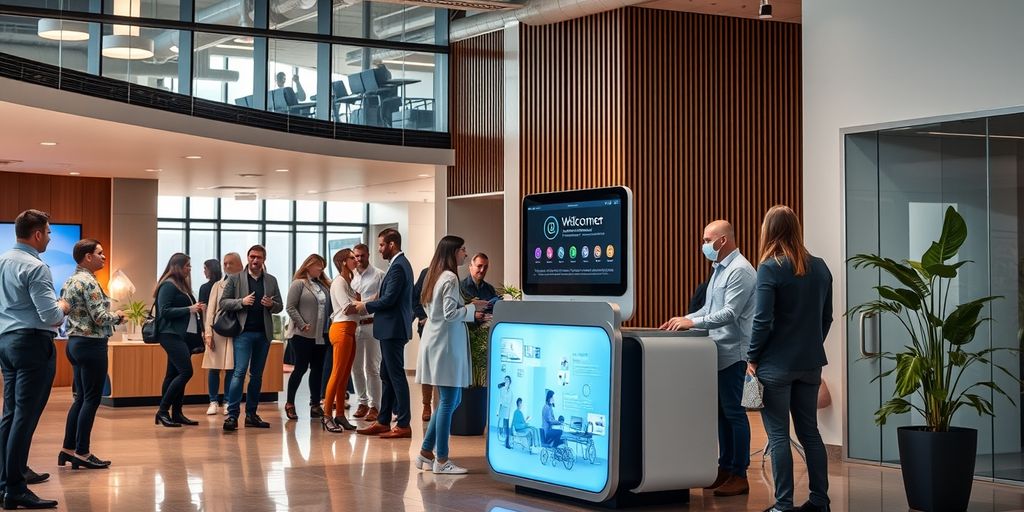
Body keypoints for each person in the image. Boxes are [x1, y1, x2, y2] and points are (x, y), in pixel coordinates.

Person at [746, 205, 833, 512]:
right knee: (810, 432)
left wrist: (752, 357)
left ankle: (783, 505)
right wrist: (809, 346)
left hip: (775, 366)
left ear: (768, 231)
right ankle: (820, 502)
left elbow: (762, 321)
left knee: (779, 435)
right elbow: (827, 318)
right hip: (810, 365)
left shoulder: (770, 267)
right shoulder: (821, 267)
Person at [661, 220, 756, 497]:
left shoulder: (741, 271)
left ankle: (740, 473)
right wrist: (684, 318)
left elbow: (729, 313)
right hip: (715, 351)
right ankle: (724, 468)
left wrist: (692, 324)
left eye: (707, 240)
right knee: (722, 414)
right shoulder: (719, 270)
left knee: (735, 414)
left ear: (723, 241)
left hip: (734, 353)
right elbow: (709, 307)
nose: (704, 245)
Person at [0, 209, 70, 510]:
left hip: (6, 342)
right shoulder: (36, 267)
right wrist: (64, 305)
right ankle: (15, 488)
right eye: (49, 232)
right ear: (38, 234)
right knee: (24, 418)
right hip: (31, 344)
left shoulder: (2, 261)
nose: (51, 237)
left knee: (10, 414)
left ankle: (5, 480)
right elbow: (52, 316)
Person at [413, 236, 486, 474]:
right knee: (448, 401)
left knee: (450, 400)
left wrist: (467, 307)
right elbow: (449, 313)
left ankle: (426, 452)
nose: (466, 253)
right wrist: (472, 309)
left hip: (436, 343)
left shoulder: (434, 275)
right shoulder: (450, 277)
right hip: (444, 346)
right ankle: (442, 460)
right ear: (453, 252)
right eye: (463, 250)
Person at [59, 239, 124, 469]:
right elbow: (100, 317)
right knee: (92, 399)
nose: (103, 257)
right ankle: (83, 452)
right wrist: (118, 315)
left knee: (80, 398)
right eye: (100, 253)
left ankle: (68, 449)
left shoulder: (70, 280)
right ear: (88, 257)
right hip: (92, 345)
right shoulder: (89, 282)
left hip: (74, 344)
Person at [350, 229, 414, 439]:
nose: (379, 249)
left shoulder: (397, 267)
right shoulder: (397, 265)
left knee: (395, 375)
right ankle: (383, 420)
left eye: (381, 245)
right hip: (391, 328)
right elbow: (386, 295)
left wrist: (363, 306)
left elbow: (388, 301)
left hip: (393, 330)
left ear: (392, 245)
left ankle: (403, 423)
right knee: (387, 374)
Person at [219, 244, 284, 432]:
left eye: (259, 258)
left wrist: (272, 304)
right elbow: (223, 302)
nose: (255, 260)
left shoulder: (271, 280)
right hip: (243, 334)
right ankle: (232, 416)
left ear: (264, 260)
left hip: (263, 334)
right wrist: (242, 302)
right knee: (239, 373)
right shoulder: (235, 279)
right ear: (248, 258)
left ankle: (251, 415)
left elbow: (280, 306)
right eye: (252, 257)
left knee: (257, 375)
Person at [284, 254, 332, 421]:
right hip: (302, 334)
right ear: (309, 265)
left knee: (318, 369)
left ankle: (315, 404)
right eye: (319, 265)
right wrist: (302, 323)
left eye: (323, 266)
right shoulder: (299, 284)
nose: (321, 269)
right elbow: (290, 307)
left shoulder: (324, 285)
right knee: (301, 368)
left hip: (321, 335)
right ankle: (290, 403)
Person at [323, 249, 360, 432]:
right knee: (337, 373)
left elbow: (355, 307)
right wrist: (368, 302)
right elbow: (347, 308)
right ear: (344, 262)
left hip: (351, 330)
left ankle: (340, 415)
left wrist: (361, 304)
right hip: (342, 329)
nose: (356, 260)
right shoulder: (338, 282)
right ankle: (327, 415)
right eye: (352, 258)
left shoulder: (349, 282)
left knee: (345, 375)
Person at [202, 253, 241, 416]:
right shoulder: (217, 285)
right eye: (224, 263)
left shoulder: (243, 284)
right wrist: (208, 333)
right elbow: (210, 309)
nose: (226, 266)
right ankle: (213, 401)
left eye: (230, 263)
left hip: (236, 330)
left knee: (231, 367)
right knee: (214, 367)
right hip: (218, 328)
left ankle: (227, 400)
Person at [349, 243, 384, 422]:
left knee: (372, 367)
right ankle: (362, 403)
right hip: (354, 326)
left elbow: (381, 299)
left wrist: (365, 302)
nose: (359, 259)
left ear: (368, 255)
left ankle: (374, 406)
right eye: (356, 256)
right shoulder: (350, 276)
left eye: (362, 255)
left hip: (372, 325)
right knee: (355, 367)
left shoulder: (379, 275)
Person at [411, 267, 435, 422]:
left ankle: (439, 405)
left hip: (443, 327)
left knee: (439, 367)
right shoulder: (427, 272)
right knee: (428, 365)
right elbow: (415, 298)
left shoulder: (453, 273)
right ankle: (426, 404)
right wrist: (423, 317)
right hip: (426, 326)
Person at [497, 376, 513, 449]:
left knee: (506, 426)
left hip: (507, 410)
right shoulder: (502, 389)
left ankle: (507, 443)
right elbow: (502, 400)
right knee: (502, 425)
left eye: (508, 380)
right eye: (505, 379)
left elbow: (509, 402)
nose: (506, 381)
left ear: (510, 382)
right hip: (502, 408)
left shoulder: (510, 392)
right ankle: (503, 440)